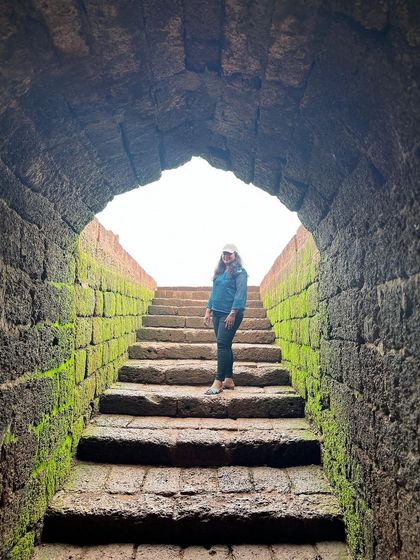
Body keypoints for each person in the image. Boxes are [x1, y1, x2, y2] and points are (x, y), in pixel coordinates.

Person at [203, 243, 248, 395]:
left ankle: (218, 381)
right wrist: (208, 311)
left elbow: (240, 294)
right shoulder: (219, 272)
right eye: (224, 254)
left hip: (230, 314)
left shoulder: (240, 272)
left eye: (229, 254)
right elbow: (213, 293)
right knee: (225, 345)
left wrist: (233, 313)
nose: (226, 256)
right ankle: (229, 379)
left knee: (222, 345)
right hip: (217, 313)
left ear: (235, 255)